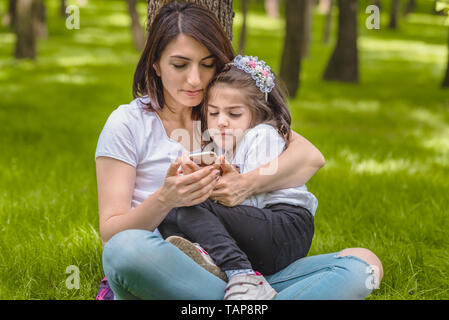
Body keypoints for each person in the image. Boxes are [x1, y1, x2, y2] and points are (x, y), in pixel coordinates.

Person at [96, 1, 383, 300]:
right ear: (155, 64)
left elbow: (310, 157)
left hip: (247, 268)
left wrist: (244, 185)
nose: (194, 80)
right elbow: (111, 234)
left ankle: (243, 293)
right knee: (124, 250)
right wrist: (166, 199)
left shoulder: (224, 114)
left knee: (363, 265)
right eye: (180, 65)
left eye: (207, 65)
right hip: (166, 268)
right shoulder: (128, 123)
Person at [158, 55, 318, 300]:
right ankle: (211, 262)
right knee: (171, 209)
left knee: (190, 203)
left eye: (233, 114)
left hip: (284, 227)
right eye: (213, 113)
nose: (221, 122)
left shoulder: (262, 136)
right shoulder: (220, 147)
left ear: (256, 114)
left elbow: (249, 200)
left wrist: (209, 191)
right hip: (257, 233)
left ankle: (243, 275)